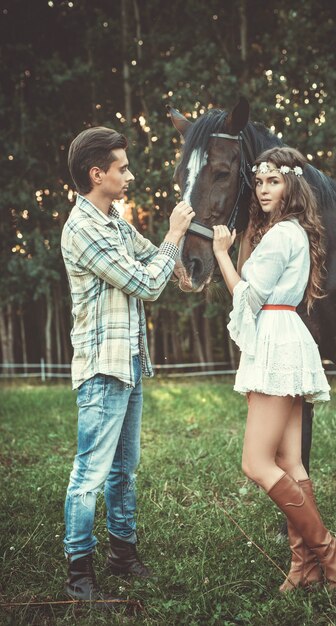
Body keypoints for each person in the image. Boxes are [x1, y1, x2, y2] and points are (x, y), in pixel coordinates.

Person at [212, 146, 336, 591]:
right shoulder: (294, 231)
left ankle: (331, 549)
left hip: (276, 337)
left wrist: (222, 252)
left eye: (273, 180)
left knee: (256, 463)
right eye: (259, 182)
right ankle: (305, 565)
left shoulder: (279, 235)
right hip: (287, 332)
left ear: (292, 184)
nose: (262, 189)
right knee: (289, 459)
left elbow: (247, 295)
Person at [61, 126, 194, 603]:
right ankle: (79, 571)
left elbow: (151, 257)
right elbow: (146, 284)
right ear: (98, 174)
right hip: (101, 367)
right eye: (122, 167)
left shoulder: (115, 222)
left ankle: (123, 553)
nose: (130, 175)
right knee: (89, 475)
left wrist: (180, 262)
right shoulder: (82, 230)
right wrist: (175, 235)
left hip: (131, 361)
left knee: (124, 468)